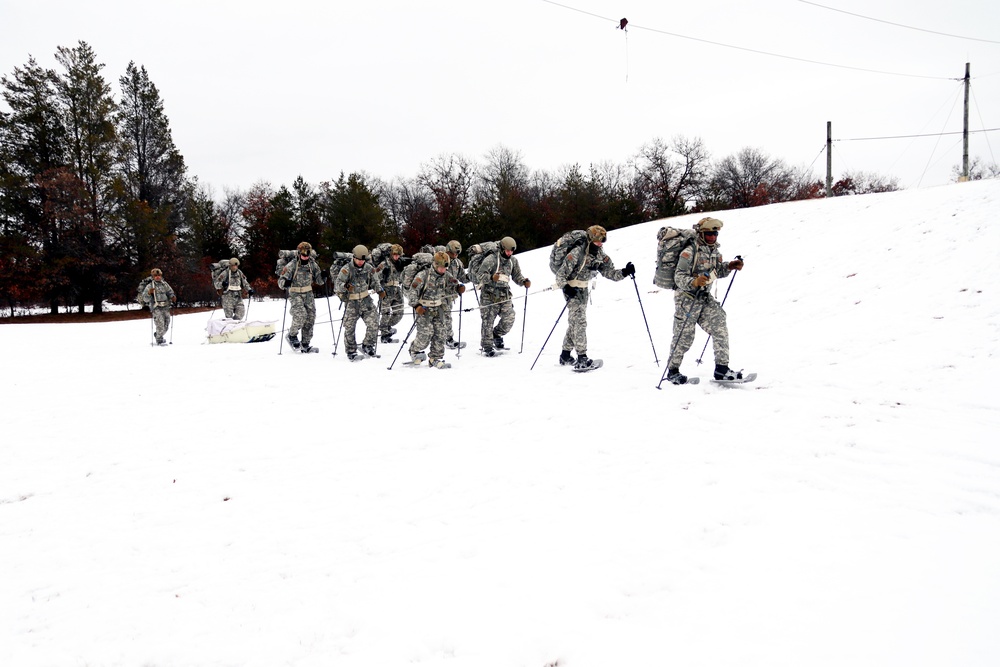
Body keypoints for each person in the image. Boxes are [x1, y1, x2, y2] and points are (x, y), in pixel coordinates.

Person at [665, 217, 745, 384]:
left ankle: (722, 369)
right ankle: (673, 371)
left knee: (720, 325)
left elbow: (717, 272)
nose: (712, 237)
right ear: (701, 233)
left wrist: (730, 266)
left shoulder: (714, 251)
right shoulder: (689, 252)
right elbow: (678, 277)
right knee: (684, 337)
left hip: (704, 298)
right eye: (709, 234)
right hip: (686, 300)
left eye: (715, 234)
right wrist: (694, 281)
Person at [553, 225, 635, 370]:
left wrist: (624, 272)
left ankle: (565, 354)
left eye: (602, 241)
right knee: (580, 322)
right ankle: (582, 357)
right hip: (571, 289)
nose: (600, 244)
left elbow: (609, 272)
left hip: (584, 290)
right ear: (591, 239)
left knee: (575, 322)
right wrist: (566, 287)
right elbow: (560, 275)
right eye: (598, 241)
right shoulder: (577, 253)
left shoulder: (600, 254)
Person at [474, 236, 530, 357]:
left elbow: (517, 276)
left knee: (509, 318)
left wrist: (523, 281)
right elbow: (480, 276)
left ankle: (496, 334)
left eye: (511, 251)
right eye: (508, 250)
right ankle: (487, 345)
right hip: (489, 295)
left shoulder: (513, 261)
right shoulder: (491, 259)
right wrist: (490, 278)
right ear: (502, 248)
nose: (509, 253)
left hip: (504, 295)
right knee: (488, 320)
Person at [407, 251, 462, 368]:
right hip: (424, 309)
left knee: (440, 334)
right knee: (425, 335)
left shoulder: (446, 275)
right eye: (441, 267)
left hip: (439, 308)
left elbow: (453, 283)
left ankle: (435, 358)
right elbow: (412, 292)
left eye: (445, 267)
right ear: (435, 265)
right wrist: (416, 306)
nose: (443, 270)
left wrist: (459, 287)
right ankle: (414, 350)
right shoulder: (423, 275)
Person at [335, 244, 385, 360]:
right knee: (349, 327)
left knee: (374, 322)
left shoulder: (369, 268)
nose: (360, 262)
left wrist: (380, 290)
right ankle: (351, 350)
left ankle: (368, 345)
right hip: (352, 302)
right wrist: (345, 286)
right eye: (358, 260)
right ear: (354, 257)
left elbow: (375, 281)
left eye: (363, 260)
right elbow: (337, 285)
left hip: (365, 300)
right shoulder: (346, 269)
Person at [278, 241, 326, 353]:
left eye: (307, 255)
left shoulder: (313, 264)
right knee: (300, 315)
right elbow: (280, 281)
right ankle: (292, 335)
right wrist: (286, 283)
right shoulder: (291, 265)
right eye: (303, 255)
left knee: (310, 318)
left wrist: (323, 276)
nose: (305, 257)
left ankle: (305, 343)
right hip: (295, 293)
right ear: (299, 253)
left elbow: (319, 281)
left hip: (308, 293)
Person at [375, 243, 406, 343]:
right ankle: (384, 334)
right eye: (395, 254)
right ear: (391, 254)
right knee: (385, 313)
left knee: (399, 312)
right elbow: (375, 276)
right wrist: (383, 274)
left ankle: (387, 326)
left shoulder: (400, 263)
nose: (396, 257)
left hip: (397, 289)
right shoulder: (384, 264)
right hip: (386, 290)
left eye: (398, 255)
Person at [443, 240, 470, 349]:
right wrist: (456, 285)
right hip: (437, 294)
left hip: (449, 295)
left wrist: (473, 276)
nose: (455, 255)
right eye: (453, 253)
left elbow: (462, 277)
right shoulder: (440, 260)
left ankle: (447, 338)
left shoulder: (458, 263)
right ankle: (446, 339)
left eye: (457, 253)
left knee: (446, 317)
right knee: (443, 317)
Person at [142, 268, 176, 345]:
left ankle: (157, 335)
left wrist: (172, 296)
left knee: (166, 325)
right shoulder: (150, 286)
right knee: (160, 324)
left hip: (166, 307)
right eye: (155, 275)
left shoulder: (165, 284)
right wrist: (148, 293)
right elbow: (145, 299)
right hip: (156, 307)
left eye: (159, 275)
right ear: (153, 277)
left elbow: (170, 292)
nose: (157, 277)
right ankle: (159, 340)